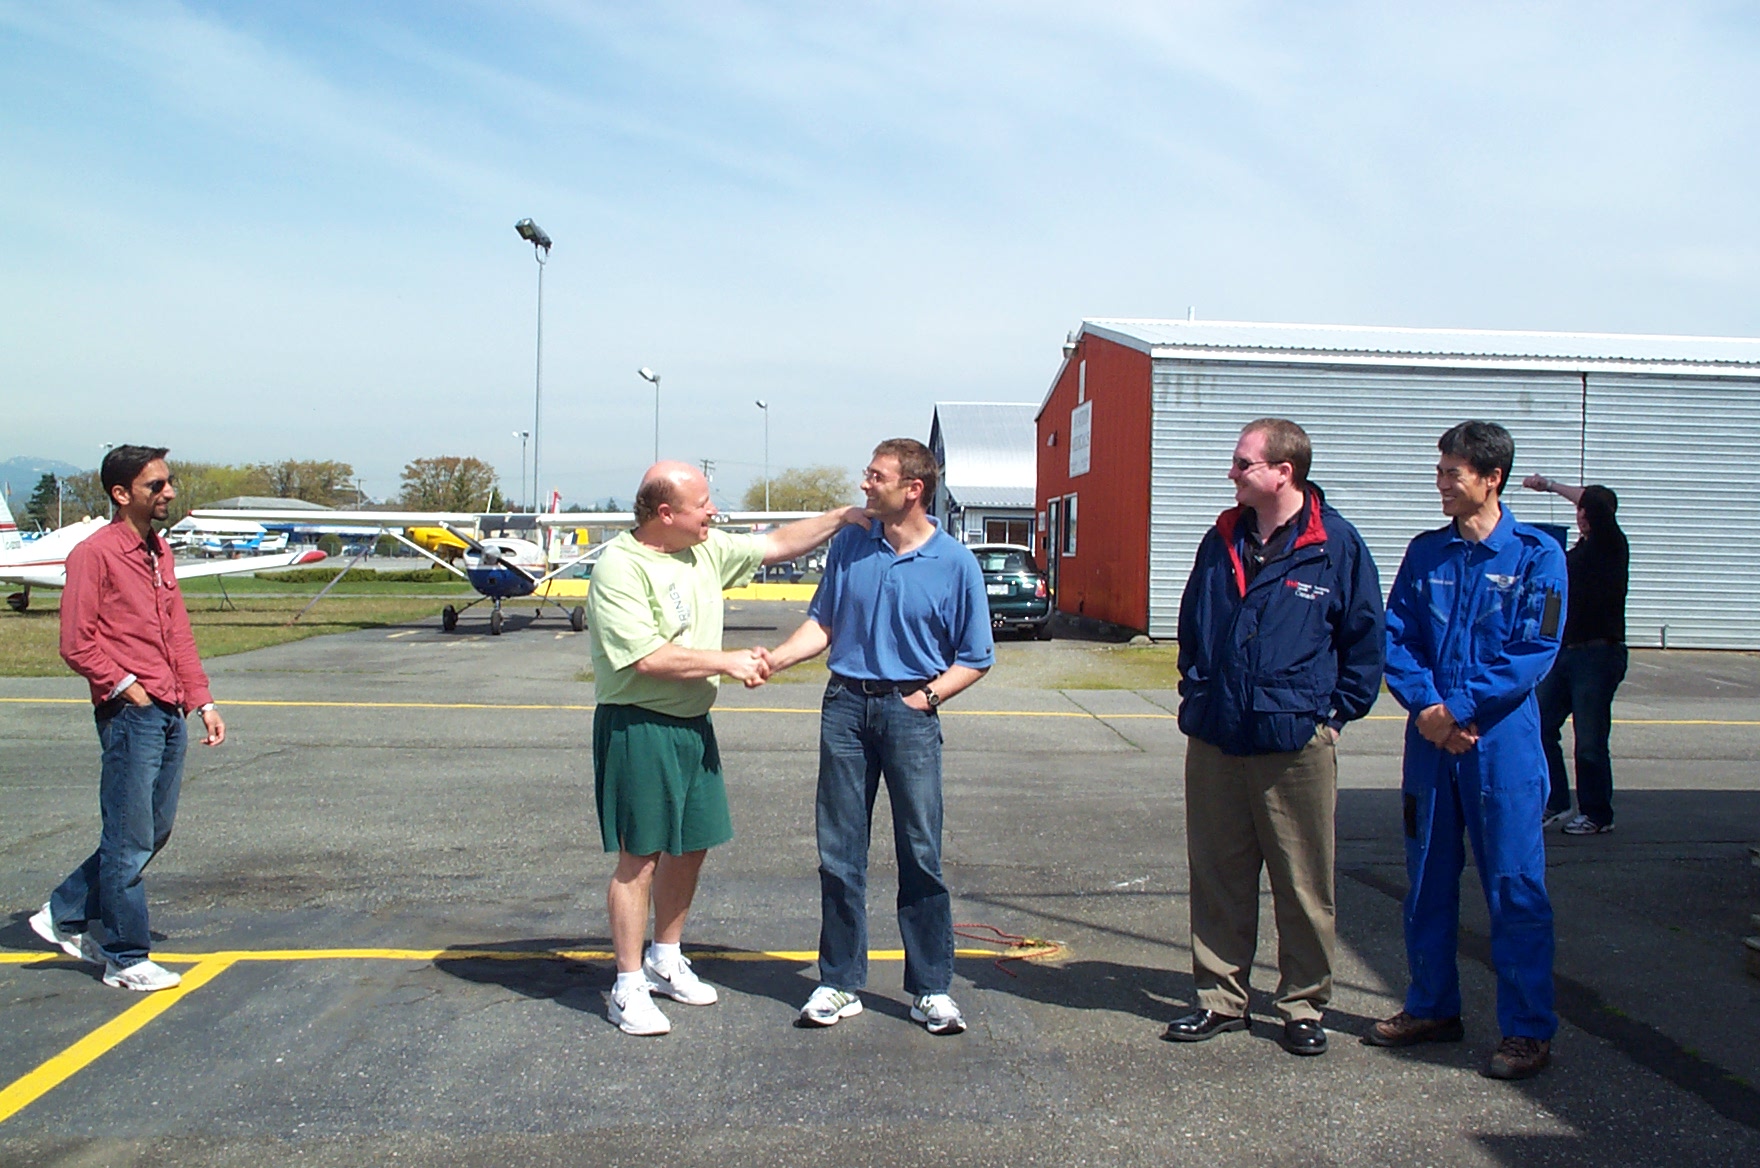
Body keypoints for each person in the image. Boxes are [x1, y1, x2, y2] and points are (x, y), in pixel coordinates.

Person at [586, 461, 865, 1036]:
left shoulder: (703, 550)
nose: (713, 512)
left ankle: (666, 958)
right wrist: (728, 662)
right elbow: (647, 657)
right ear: (666, 514)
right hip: (640, 724)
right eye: (703, 503)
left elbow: (777, 544)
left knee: (690, 847)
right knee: (640, 857)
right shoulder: (620, 566)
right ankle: (628, 985)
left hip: (692, 724)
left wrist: (842, 517)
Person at [1164, 419, 1385, 1057]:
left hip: (1295, 742)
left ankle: (1302, 1004)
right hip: (1216, 736)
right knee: (1218, 875)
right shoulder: (1222, 539)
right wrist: (1197, 689)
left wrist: (1332, 715)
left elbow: (1364, 640)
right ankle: (1220, 998)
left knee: (1303, 881)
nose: (1231, 474)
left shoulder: (1334, 545)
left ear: (1282, 472)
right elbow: (1193, 622)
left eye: (1242, 464)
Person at [759, 438, 993, 1035]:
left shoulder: (956, 564)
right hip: (844, 709)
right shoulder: (851, 544)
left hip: (910, 713)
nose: (865, 486)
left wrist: (927, 697)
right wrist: (779, 660)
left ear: (913, 489)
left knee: (921, 852)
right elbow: (823, 623)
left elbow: (975, 656)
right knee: (838, 852)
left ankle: (932, 989)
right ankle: (838, 982)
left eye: (875, 476)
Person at [1373, 421, 1566, 1081]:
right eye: (1440, 472)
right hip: (1431, 745)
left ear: (1492, 478)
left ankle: (1526, 1031)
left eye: (1453, 473)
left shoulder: (1538, 556)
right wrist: (1428, 708)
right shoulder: (1426, 554)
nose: (1442, 484)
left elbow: (1534, 651)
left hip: (1500, 744)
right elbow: (1394, 636)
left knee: (1514, 886)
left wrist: (1459, 708)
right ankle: (1432, 1007)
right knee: (1426, 880)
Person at [30, 445, 227, 992]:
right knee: (129, 836)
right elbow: (76, 642)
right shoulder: (95, 554)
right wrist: (127, 687)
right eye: (155, 486)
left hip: (169, 707)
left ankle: (64, 911)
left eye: (168, 482)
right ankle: (124, 954)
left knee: (152, 830)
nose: (168, 492)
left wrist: (202, 700)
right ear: (122, 494)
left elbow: (177, 632)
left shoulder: (158, 551)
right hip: (130, 713)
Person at [1522, 474, 1629, 836]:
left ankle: (1598, 812)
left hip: (1598, 655)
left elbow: (1597, 501)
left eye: (1586, 510)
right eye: (1579, 511)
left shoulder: (1611, 545)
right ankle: (1556, 801)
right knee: (1541, 724)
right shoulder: (1573, 554)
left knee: (1590, 739)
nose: (1581, 515)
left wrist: (1550, 486)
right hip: (1565, 654)